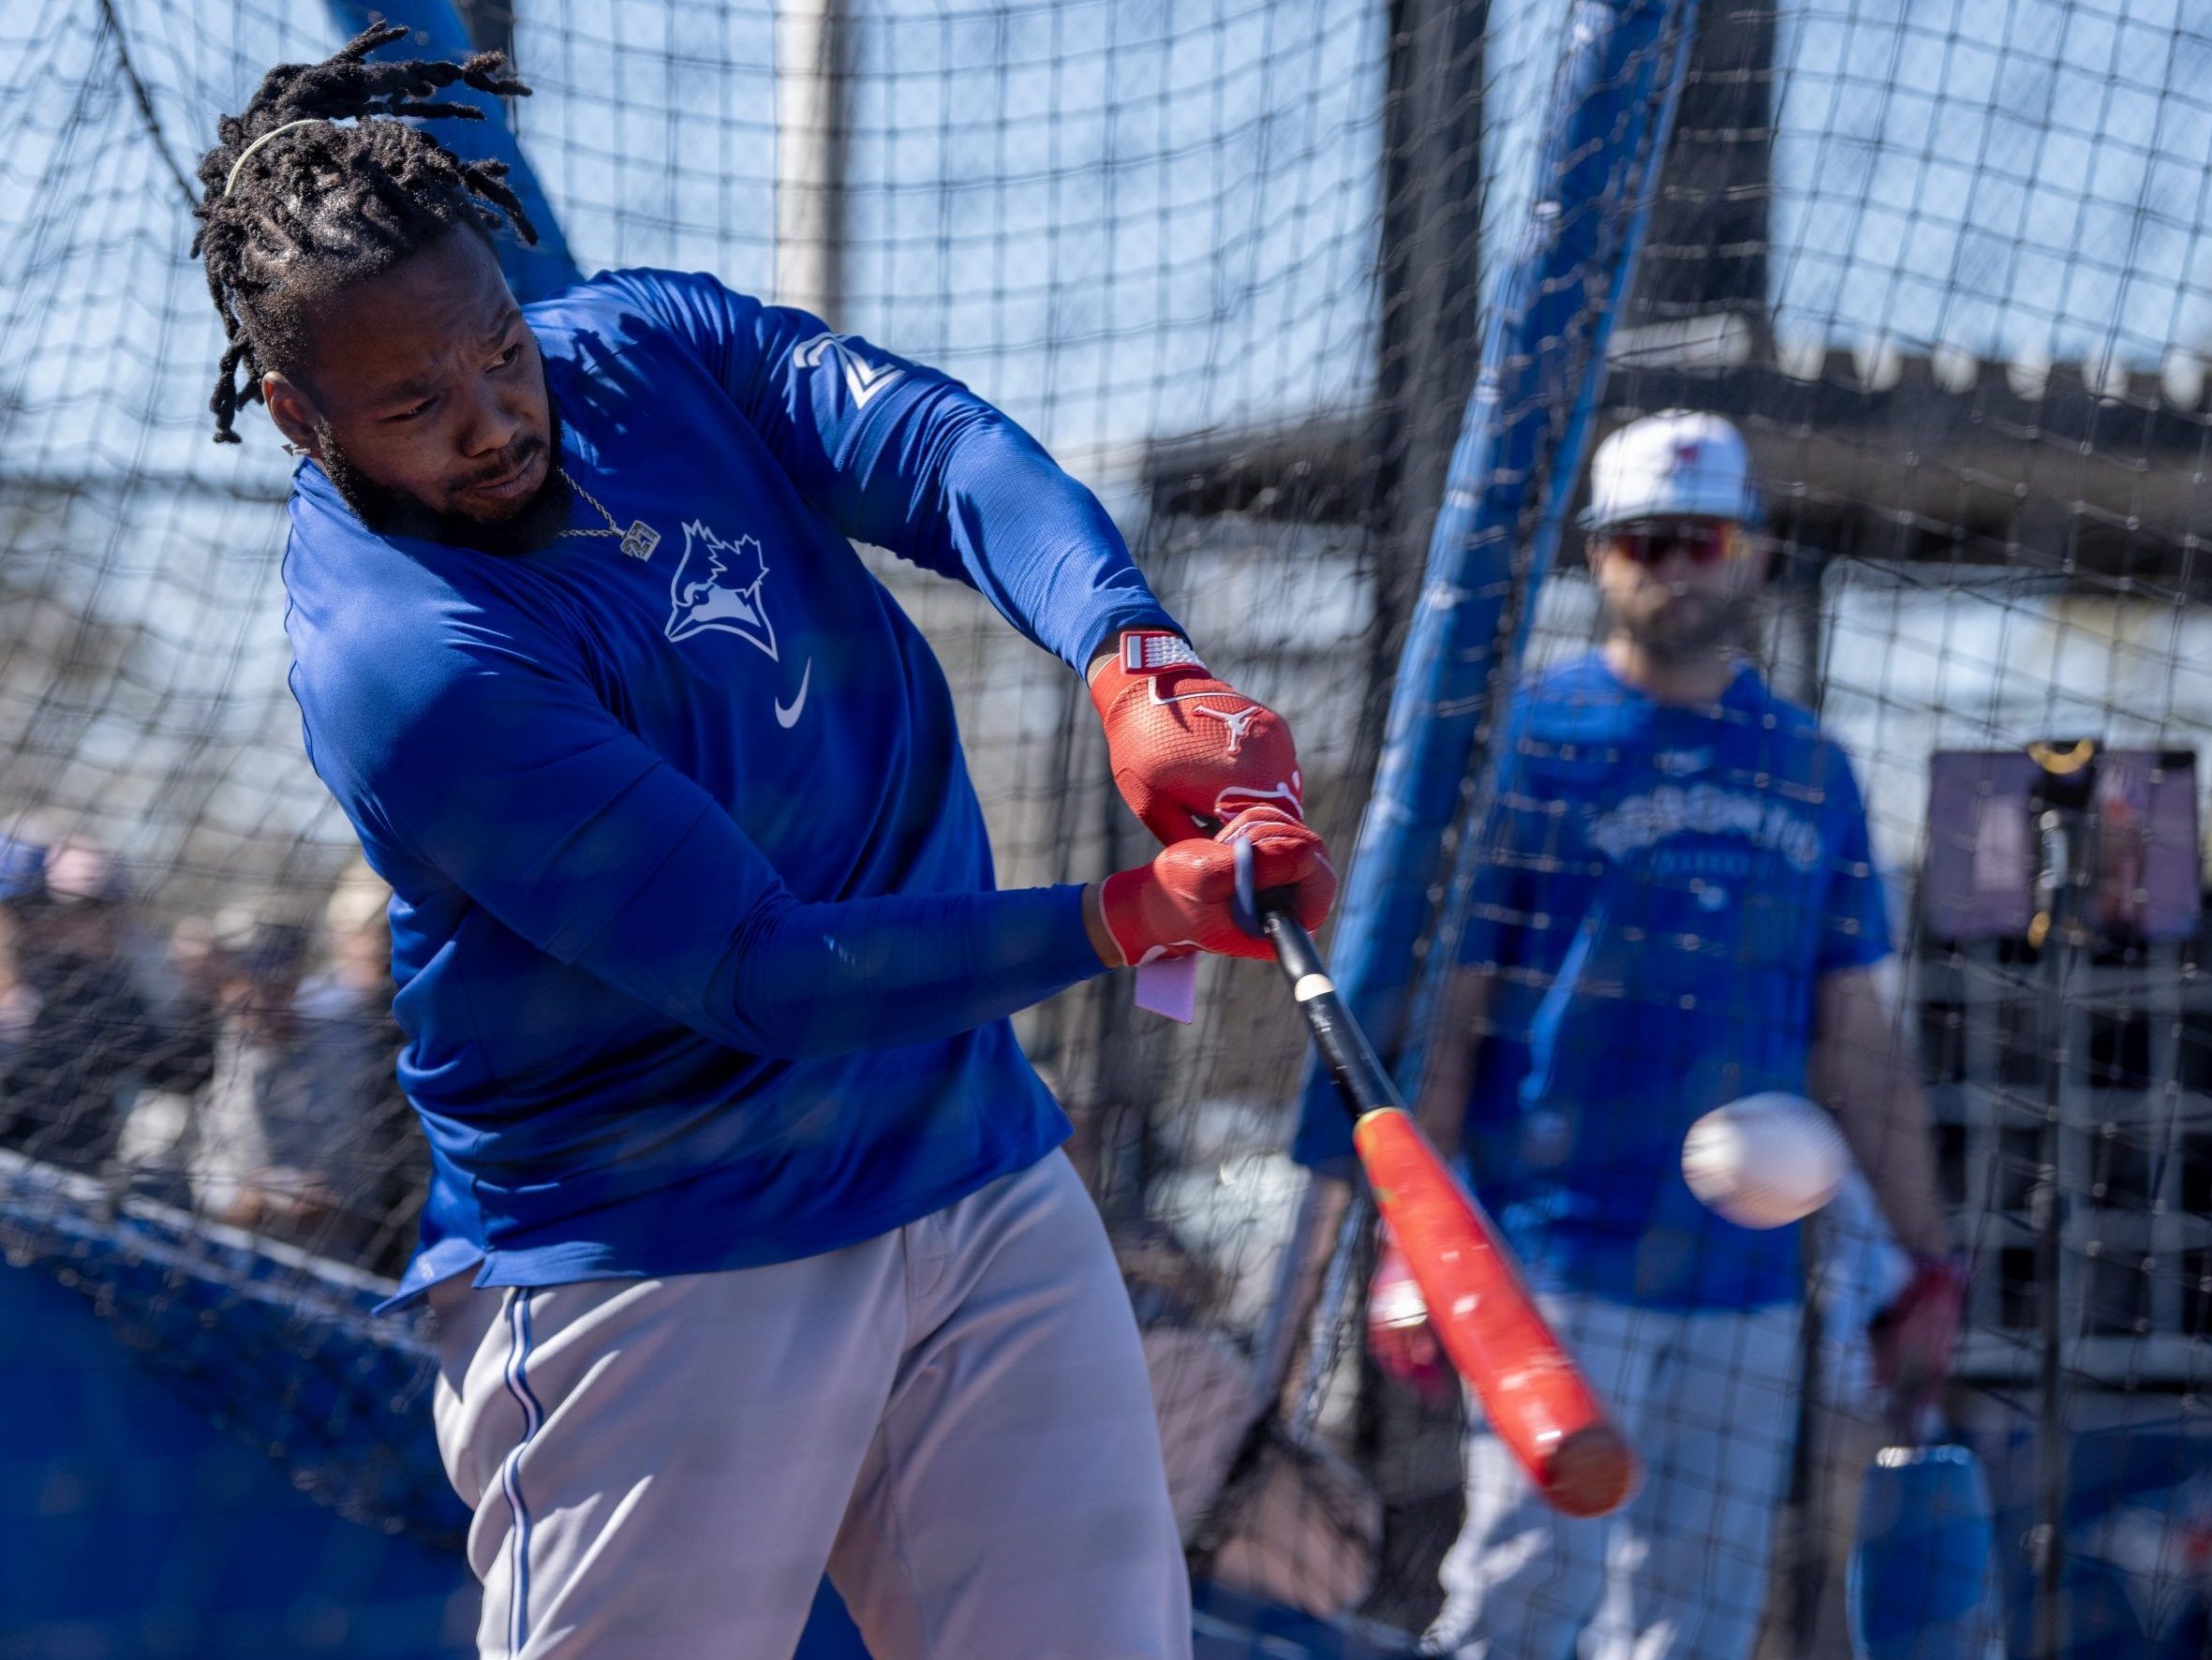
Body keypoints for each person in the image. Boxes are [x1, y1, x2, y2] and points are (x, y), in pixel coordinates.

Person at [188, 26, 1332, 1660]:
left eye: (497, 351)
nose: (495, 415)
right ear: (304, 419)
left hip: (961, 1157)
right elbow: (758, 970)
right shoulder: (405, 660)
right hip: (659, 1250)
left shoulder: (638, 345)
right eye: (414, 401)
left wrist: (1129, 653)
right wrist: (1130, 914)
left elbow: (934, 455)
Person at [1360, 411, 1962, 1659]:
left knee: (1698, 1623)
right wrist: (1411, 1242)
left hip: (1742, 1285)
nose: (1675, 568)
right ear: (1597, 557)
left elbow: (1856, 1035)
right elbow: (1453, 1013)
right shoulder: (1530, 742)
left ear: (1751, 553)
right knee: (1524, 1591)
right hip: (1552, 1262)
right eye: (1645, 543)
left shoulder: (1810, 767)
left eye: (1702, 540)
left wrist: (1923, 1261)